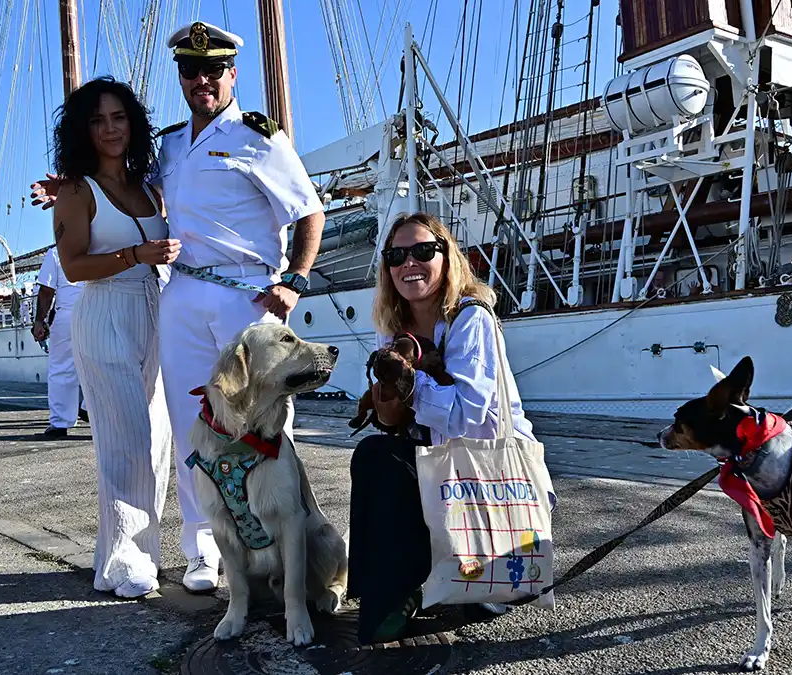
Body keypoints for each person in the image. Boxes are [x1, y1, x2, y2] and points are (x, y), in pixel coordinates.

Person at [30, 21, 326, 593]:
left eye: (213, 69)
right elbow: (114, 185)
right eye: (191, 71)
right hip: (182, 294)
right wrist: (67, 180)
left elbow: (309, 212)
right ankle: (203, 550)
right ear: (181, 78)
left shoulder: (260, 137)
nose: (202, 80)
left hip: (248, 293)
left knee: (263, 425)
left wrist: (296, 278)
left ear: (232, 73)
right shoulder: (168, 146)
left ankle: (273, 548)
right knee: (195, 426)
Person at [347, 212, 537, 644]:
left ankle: (415, 588)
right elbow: (394, 419)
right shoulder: (394, 329)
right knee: (374, 453)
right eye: (396, 255)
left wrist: (410, 382)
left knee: (384, 463)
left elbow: (470, 416)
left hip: (484, 476)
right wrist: (385, 395)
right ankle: (387, 591)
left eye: (422, 251)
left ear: (446, 257)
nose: (408, 263)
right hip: (437, 471)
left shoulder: (471, 318)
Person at [51, 76, 179, 599]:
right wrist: (134, 255)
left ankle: (131, 554)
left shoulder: (148, 188)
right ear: (83, 130)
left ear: (133, 124)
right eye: (98, 120)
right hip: (105, 313)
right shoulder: (77, 191)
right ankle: (124, 561)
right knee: (124, 439)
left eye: (119, 117)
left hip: (154, 312)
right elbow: (73, 265)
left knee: (158, 438)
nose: (110, 128)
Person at [32, 245, 88, 438]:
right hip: (100, 309)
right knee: (102, 365)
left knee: (62, 369)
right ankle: (89, 408)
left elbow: (47, 290)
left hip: (69, 314)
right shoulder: (104, 243)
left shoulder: (57, 252)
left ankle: (60, 422)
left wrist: (40, 319)